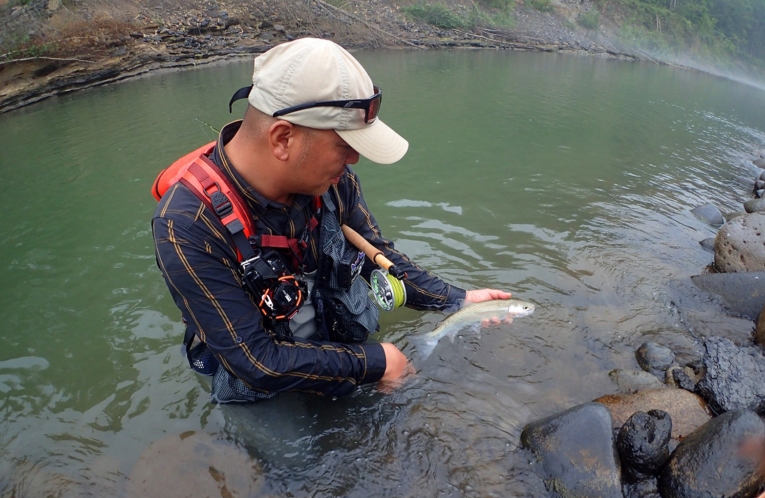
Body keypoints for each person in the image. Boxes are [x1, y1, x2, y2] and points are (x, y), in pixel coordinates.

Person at [151, 37, 510, 404]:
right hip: (263, 378)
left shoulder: (333, 181)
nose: (355, 158)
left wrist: (457, 300)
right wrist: (376, 361)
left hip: (331, 345)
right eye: (346, 145)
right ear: (282, 139)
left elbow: (377, 256)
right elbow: (255, 360)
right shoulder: (186, 225)